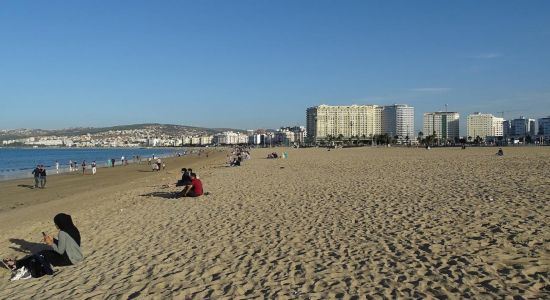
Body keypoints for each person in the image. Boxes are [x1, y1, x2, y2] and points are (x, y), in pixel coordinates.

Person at [3, 213, 83, 277]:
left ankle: (16, 265)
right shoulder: (73, 229)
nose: (56, 225)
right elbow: (70, 245)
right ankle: (16, 264)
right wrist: (53, 240)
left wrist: (51, 243)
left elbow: (60, 251)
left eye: (56, 223)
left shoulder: (62, 233)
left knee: (41, 255)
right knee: (44, 253)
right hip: (77, 256)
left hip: (69, 259)